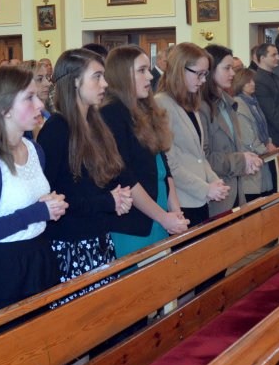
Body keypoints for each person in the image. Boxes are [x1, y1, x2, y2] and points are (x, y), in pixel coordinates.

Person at [0, 66, 66, 313]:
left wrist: (50, 204)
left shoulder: (34, 149)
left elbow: (32, 202)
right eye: (29, 98)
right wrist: (38, 212)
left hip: (40, 253)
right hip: (7, 267)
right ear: (5, 109)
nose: (40, 104)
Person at [38, 49, 134, 299]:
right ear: (74, 81)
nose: (105, 84)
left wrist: (118, 196)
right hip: (71, 244)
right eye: (97, 76)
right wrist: (108, 201)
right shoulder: (57, 128)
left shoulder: (95, 123)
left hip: (98, 237)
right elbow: (53, 195)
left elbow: (100, 180)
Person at [101, 45, 188, 258]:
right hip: (135, 220)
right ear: (121, 75)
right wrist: (163, 217)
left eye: (148, 69)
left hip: (159, 209)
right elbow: (123, 176)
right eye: (141, 70)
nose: (150, 76)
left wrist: (175, 210)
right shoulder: (111, 113)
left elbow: (163, 165)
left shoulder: (144, 109)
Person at [154, 43, 229, 227]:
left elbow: (198, 155)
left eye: (205, 74)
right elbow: (170, 163)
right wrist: (205, 188)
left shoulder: (189, 102)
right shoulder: (161, 104)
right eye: (199, 74)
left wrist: (214, 180)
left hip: (199, 198)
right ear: (180, 70)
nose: (203, 80)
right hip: (182, 200)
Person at [200, 44, 262, 215]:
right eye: (227, 68)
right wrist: (241, 160)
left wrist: (247, 159)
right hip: (215, 193)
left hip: (234, 189)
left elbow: (233, 145)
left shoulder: (227, 102)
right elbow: (203, 158)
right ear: (210, 70)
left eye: (232, 68)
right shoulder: (201, 107)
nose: (233, 73)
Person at [233, 69, 276, 201]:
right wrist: (265, 149)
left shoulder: (253, 102)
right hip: (251, 156)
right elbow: (247, 137)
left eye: (253, 81)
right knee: (253, 199)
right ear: (240, 83)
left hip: (261, 154)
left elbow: (262, 127)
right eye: (248, 81)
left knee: (264, 198)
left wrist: (269, 142)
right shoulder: (238, 104)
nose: (252, 84)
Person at [19, 60, 52, 136]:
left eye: (47, 78)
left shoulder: (46, 114)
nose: (48, 83)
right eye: (40, 79)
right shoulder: (21, 121)